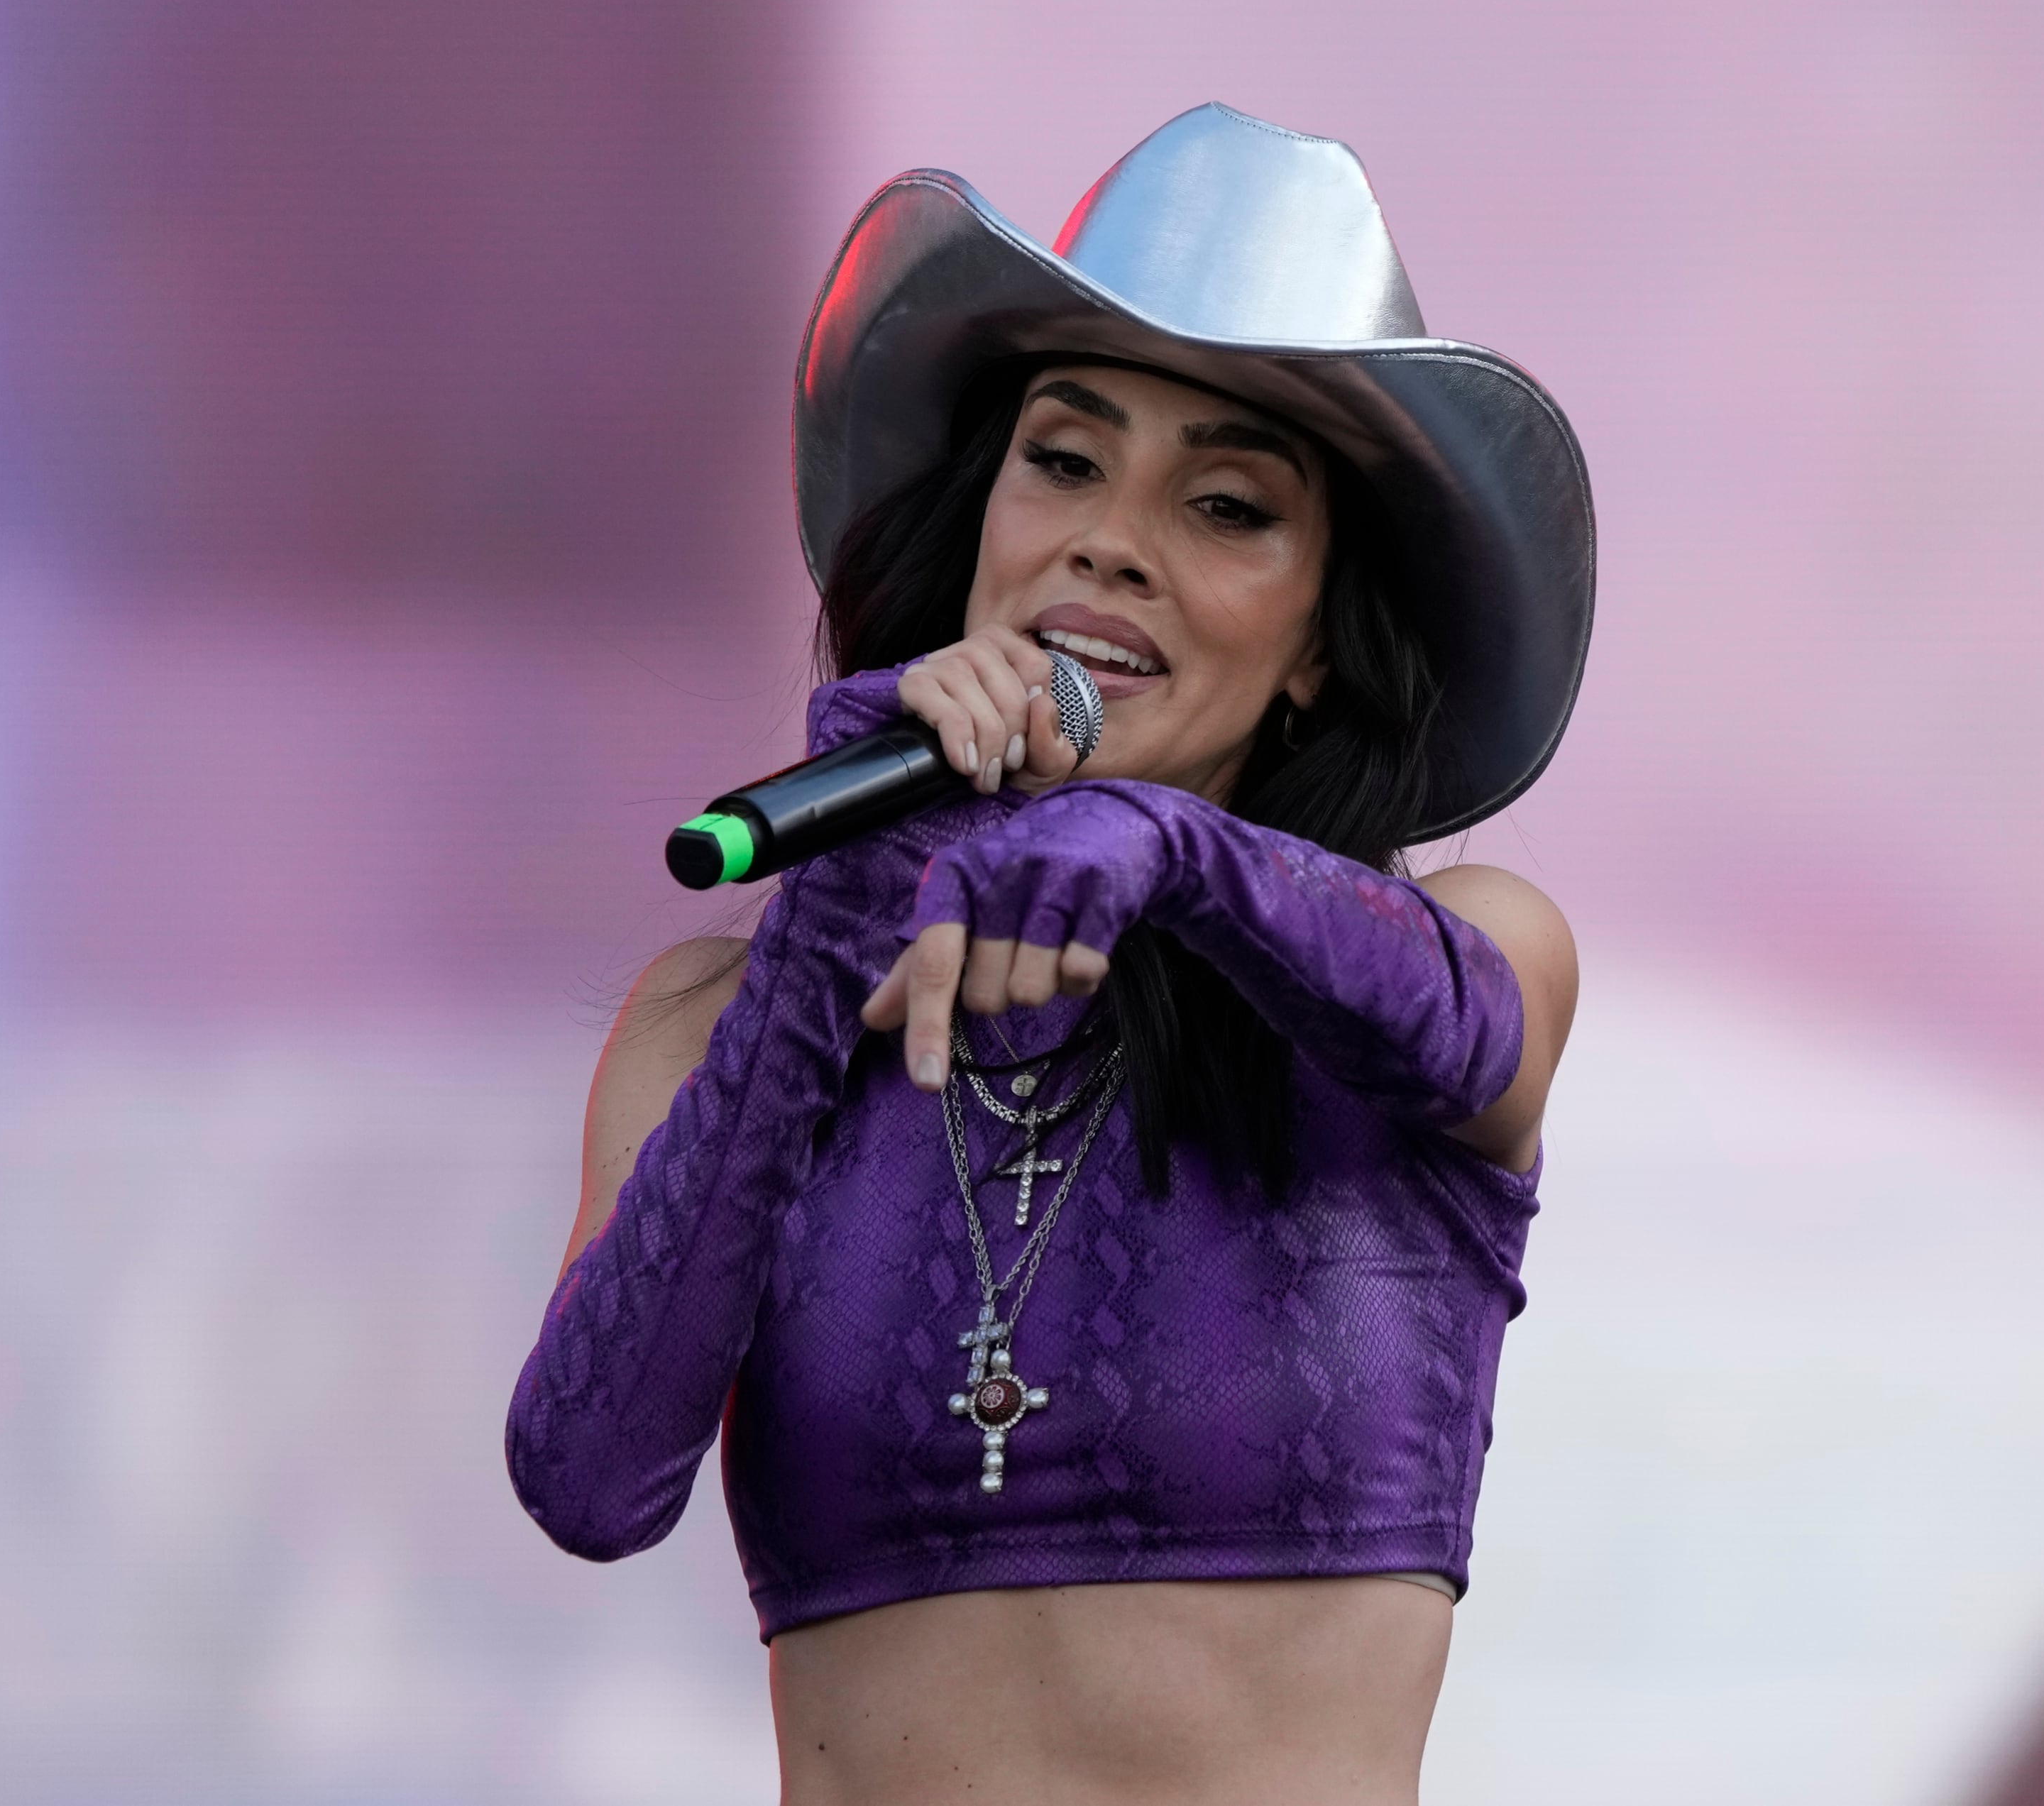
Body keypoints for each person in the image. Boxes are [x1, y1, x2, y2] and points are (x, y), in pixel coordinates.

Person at [508, 104, 1594, 1805]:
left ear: (1318, 646)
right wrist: (819, 946)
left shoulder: (1474, 953)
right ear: (987, 527)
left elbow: (1463, 1038)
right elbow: (588, 1480)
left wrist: (1169, 849)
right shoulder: (713, 1019)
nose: (1107, 537)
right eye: (1066, 461)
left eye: (1226, 503)